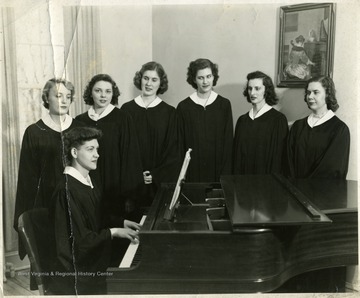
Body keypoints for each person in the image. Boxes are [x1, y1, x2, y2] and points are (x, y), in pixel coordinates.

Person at [50, 127, 141, 295]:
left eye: (97, 149)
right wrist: (113, 232)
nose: (97, 154)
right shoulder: (66, 189)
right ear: (75, 153)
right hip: (79, 273)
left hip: (94, 257)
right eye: (90, 149)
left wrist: (121, 222)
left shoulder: (88, 180)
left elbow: (96, 218)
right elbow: (79, 241)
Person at [13, 78, 83, 261]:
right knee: (50, 258)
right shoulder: (34, 132)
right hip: (46, 204)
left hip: (77, 202)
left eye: (68, 96)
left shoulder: (80, 129)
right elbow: (27, 180)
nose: (64, 100)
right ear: (47, 98)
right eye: (58, 95)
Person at [75, 74, 143, 223]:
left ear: (113, 94)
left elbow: (130, 158)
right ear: (90, 93)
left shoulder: (122, 118)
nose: (103, 95)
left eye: (108, 91)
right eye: (98, 91)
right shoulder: (80, 121)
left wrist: (129, 195)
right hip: (88, 188)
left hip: (115, 189)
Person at [121, 61, 180, 208]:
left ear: (160, 83)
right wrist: (135, 175)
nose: (149, 83)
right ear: (140, 79)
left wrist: (155, 175)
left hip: (158, 184)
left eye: (154, 80)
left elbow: (172, 151)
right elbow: (122, 148)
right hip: (132, 183)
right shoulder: (127, 110)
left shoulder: (169, 113)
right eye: (146, 78)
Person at [177, 58, 233, 182]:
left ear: (214, 77)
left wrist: (225, 176)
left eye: (208, 76)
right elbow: (180, 145)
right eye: (200, 78)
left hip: (218, 172)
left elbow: (228, 143)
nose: (205, 81)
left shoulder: (224, 105)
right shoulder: (184, 107)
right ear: (193, 79)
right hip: (192, 172)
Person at [287, 76, 350, 179]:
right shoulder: (298, 126)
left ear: (327, 95)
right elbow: (289, 162)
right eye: (308, 92)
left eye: (316, 92)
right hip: (295, 190)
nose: (310, 96)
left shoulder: (339, 129)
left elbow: (333, 169)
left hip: (322, 192)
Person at [233, 71, 288, 174]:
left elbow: (278, 160)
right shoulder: (242, 120)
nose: (252, 93)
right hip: (243, 182)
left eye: (257, 88)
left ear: (266, 90)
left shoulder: (278, 120)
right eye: (250, 88)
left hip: (266, 183)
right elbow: (237, 159)